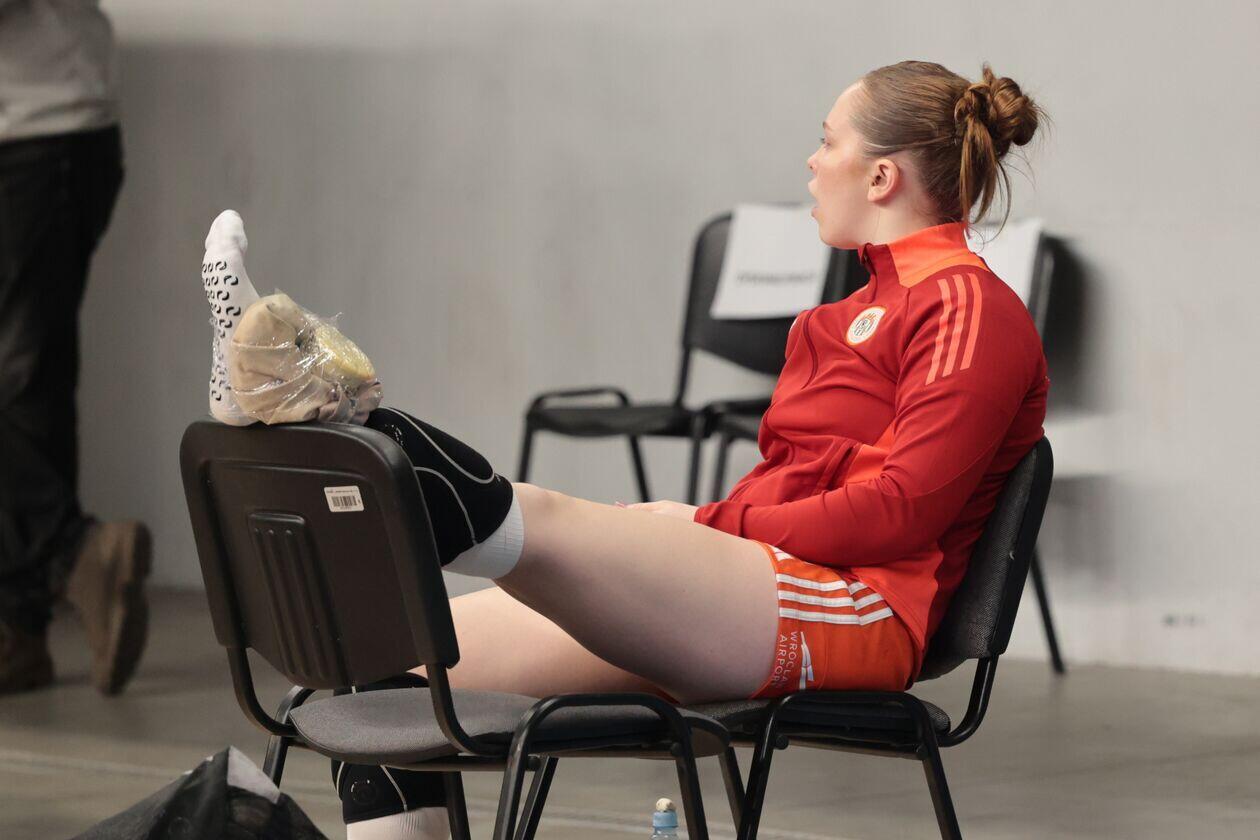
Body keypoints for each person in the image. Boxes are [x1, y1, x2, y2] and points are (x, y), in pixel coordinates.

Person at [202, 60, 1049, 839]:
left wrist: (715, 524)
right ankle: (298, 391)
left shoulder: (967, 306)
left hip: (856, 613)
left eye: (828, 141)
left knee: (544, 520)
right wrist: (707, 524)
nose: (811, 161)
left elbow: (903, 510)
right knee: (390, 656)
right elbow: (793, 487)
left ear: (881, 177)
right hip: (767, 580)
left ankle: (313, 392)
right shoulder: (838, 317)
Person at [0, 0, 151, 697]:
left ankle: (76, 553)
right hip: (34, 131)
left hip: (37, 133)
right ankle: (18, 628)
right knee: (27, 388)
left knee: (22, 382)